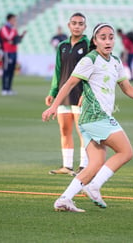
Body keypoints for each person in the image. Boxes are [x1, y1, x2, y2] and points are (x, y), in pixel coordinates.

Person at [42, 23, 133, 212]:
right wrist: (54, 106)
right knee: (126, 152)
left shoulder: (116, 61)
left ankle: (64, 199)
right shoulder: (89, 60)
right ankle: (93, 186)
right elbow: (68, 84)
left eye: (110, 37)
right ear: (95, 41)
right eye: (103, 37)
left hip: (90, 119)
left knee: (96, 163)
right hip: (95, 116)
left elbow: (127, 88)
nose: (108, 40)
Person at [45, 13, 90, 176]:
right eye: (74, 23)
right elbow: (58, 71)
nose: (77, 26)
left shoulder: (88, 45)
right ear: (69, 25)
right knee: (65, 129)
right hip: (63, 94)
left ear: (85, 27)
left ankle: (84, 166)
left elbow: (91, 72)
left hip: (80, 93)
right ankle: (67, 166)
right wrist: (53, 92)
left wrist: (86, 93)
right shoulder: (62, 45)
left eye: (80, 23)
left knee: (82, 131)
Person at [0, 13, 27, 96]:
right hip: (7, 51)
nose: (15, 21)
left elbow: (15, 40)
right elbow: (8, 37)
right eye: (13, 19)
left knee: (11, 70)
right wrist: (13, 29)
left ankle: (9, 88)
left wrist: (21, 36)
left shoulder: (12, 29)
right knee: (6, 70)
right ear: (9, 20)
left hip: (14, 51)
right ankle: (4, 88)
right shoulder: (5, 28)